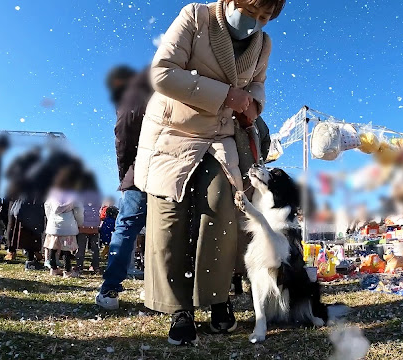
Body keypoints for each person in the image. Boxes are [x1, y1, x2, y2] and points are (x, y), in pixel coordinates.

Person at [133, 0, 284, 345]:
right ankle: (178, 309)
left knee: (223, 210)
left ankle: (217, 299)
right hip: (174, 131)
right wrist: (227, 95)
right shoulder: (195, 17)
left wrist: (253, 105)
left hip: (221, 135)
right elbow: (162, 73)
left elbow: (258, 84)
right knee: (171, 215)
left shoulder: (264, 43)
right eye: (251, 12)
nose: (255, 22)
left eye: (264, 18)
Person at [95, 65, 152, 310]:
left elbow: (124, 136)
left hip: (142, 171)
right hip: (176, 169)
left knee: (127, 226)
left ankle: (110, 289)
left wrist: (125, 174)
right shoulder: (179, 86)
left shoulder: (134, 95)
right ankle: (172, 290)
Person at [232, 116, 271, 295]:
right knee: (245, 227)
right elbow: (265, 139)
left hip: (243, 174)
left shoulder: (247, 113)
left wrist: (257, 162)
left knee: (240, 227)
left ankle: (236, 276)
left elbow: (265, 139)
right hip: (247, 174)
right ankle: (241, 276)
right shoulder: (254, 114)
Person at [43, 165, 84, 277]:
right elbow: (79, 210)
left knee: (52, 247)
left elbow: (47, 206)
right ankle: (68, 270)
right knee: (66, 249)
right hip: (68, 224)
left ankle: (53, 269)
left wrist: (50, 218)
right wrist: (79, 222)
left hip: (53, 224)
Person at [76, 171, 102, 274]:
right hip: (94, 225)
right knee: (95, 248)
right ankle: (95, 266)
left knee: (81, 247)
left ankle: (79, 266)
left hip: (83, 224)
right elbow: (99, 207)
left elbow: (78, 208)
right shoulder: (97, 195)